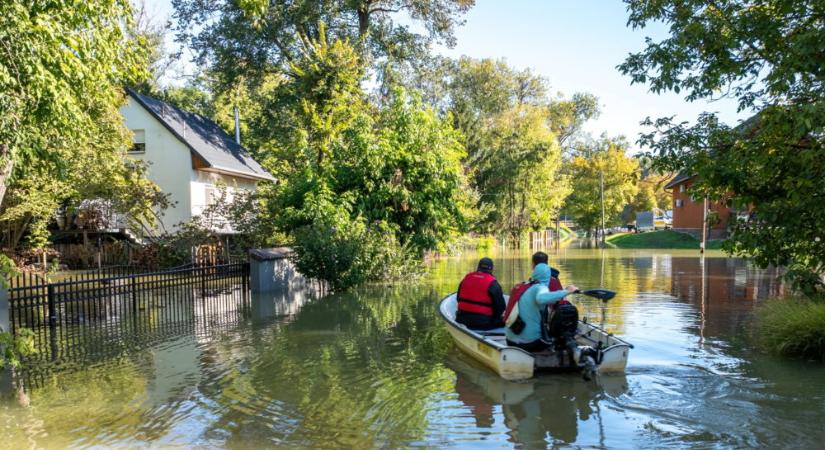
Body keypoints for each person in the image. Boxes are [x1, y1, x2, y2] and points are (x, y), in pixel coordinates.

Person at [505, 263, 578, 352]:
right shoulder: (540, 287)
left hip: (510, 341)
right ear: (548, 277)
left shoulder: (523, 286)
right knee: (558, 342)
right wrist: (567, 291)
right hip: (529, 344)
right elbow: (541, 298)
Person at [456, 257, 506, 330]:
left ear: (478, 267)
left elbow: (458, 299)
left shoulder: (466, 278)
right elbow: (501, 309)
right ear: (491, 269)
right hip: (483, 323)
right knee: (505, 320)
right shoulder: (493, 283)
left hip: (461, 319)